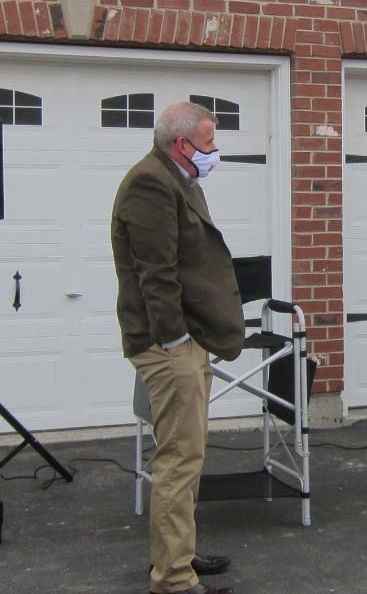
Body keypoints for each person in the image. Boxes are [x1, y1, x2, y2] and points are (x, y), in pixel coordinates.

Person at [112, 102, 245, 594]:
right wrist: (174, 342)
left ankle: (178, 555)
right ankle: (172, 578)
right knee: (178, 458)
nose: (215, 152)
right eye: (209, 143)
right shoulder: (151, 183)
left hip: (186, 338)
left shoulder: (180, 179)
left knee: (189, 453)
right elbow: (156, 274)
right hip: (168, 345)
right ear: (182, 144)